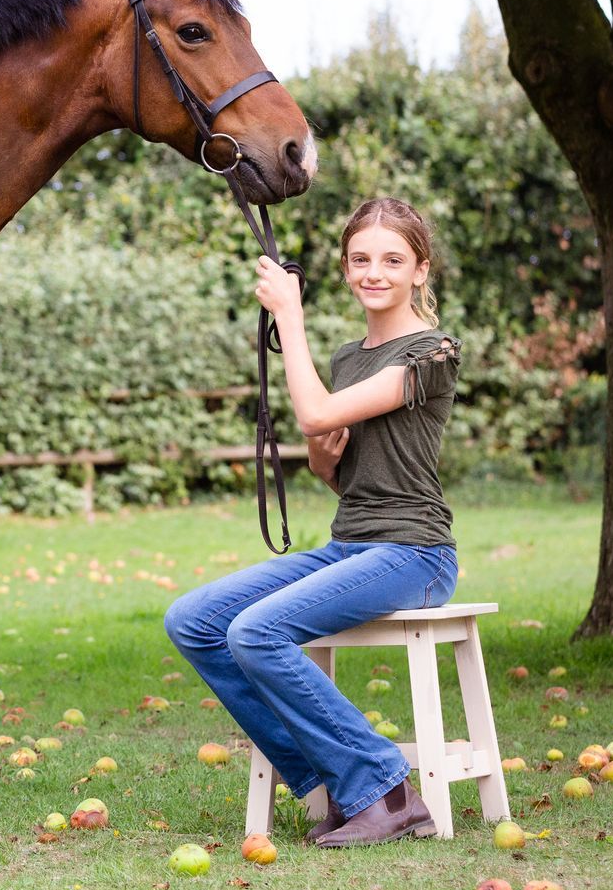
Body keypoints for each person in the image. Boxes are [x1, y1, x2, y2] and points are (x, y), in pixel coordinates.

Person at [163, 197, 462, 847]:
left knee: (258, 631)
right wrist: (328, 461)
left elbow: (318, 415)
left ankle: (384, 787)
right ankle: (330, 781)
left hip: (416, 552)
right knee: (194, 621)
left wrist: (288, 318)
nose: (373, 272)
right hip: (351, 542)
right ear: (347, 267)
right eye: (361, 259)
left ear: (420, 270)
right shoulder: (349, 358)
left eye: (392, 259)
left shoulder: (435, 351)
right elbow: (340, 465)